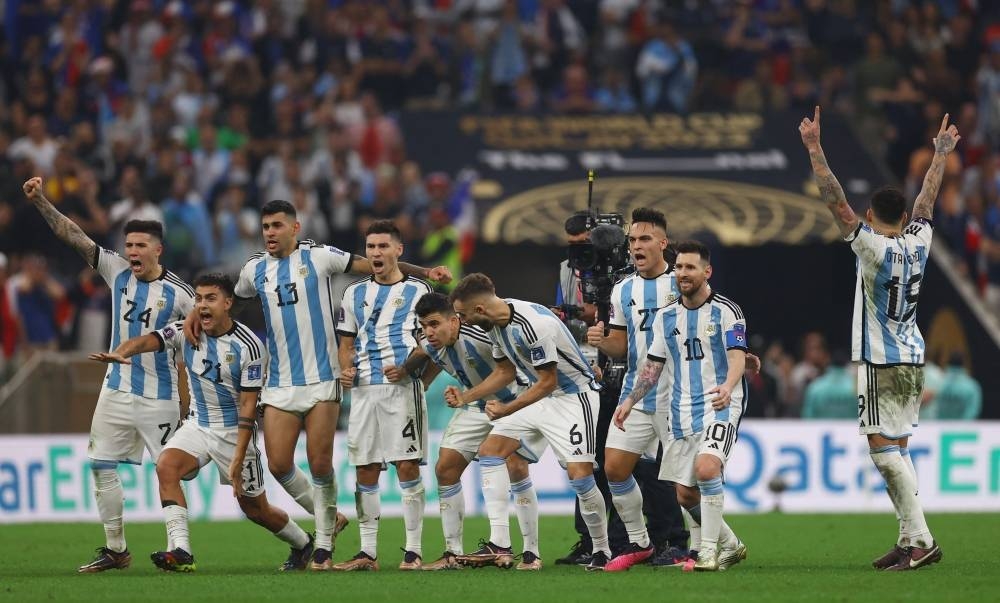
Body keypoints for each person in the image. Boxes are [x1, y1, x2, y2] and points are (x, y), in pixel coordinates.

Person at [184, 201, 450, 570]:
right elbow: (232, 306)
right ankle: (333, 520)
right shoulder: (253, 269)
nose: (270, 232)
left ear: (295, 228)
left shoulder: (320, 257)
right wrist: (196, 317)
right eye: (265, 226)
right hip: (279, 381)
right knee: (278, 463)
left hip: (324, 378)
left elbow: (374, 264)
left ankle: (324, 544)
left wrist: (424, 271)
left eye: (277, 225)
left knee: (321, 463)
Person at [799, 105, 957, 570]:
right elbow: (928, 201)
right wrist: (941, 155)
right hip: (913, 356)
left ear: (871, 215)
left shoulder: (870, 247)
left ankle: (923, 538)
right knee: (899, 449)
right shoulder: (919, 241)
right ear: (904, 216)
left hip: (879, 360)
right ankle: (910, 539)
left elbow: (834, 198)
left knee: (881, 448)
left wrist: (814, 147)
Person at [22, 176, 196, 573]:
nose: (132, 252)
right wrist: (41, 202)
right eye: (129, 244)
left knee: (169, 469)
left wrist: (191, 401)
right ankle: (116, 549)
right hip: (115, 390)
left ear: (158, 250)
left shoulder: (182, 294)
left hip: (161, 394)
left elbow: (195, 346)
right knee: (101, 464)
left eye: (140, 246)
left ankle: (179, 549)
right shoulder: (114, 270)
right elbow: (73, 234)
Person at [89, 274, 313, 572]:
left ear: (228, 303)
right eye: (198, 298)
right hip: (198, 425)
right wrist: (122, 352)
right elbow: (149, 339)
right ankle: (181, 551)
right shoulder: (185, 331)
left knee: (255, 509)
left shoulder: (250, 346)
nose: (202, 305)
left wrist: (237, 458)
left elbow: (249, 407)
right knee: (166, 466)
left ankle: (303, 543)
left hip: (235, 433)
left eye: (210, 298)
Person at [445, 273, 612, 571]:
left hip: (573, 398)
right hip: (537, 396)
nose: (463, 321)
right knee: (491, 451)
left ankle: (601, 549)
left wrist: (507, 409)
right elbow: (505, 372)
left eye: (463, 315)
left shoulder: (535, 325)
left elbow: (549, 382)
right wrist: (467, 396)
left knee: (580, 477)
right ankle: (501, 543)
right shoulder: (496, 326)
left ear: (479, 310)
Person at [385, 292, 546, 571]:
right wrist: (410, 374)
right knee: (445, 468)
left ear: (454, 320)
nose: (428, 332)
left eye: (434, 324)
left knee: (516, 465)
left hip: (517, 401)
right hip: (476, 407)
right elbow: (430, 353)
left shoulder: (482, 335)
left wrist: (466, 395)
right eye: (423, 326)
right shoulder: (430, 341)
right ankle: (453, 554)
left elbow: (506, 372)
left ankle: (530, 552)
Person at [614, 241, 749, 572]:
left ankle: (707, 551)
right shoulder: (666, 316)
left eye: (690, 267)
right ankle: (731, 545)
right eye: (679, 268)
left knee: (707, 469)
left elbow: (738, 358)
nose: (682, 273)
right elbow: (653, 365)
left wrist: (729, 387)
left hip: (720, 404)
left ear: (707, 271)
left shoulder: (727, 311)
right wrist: (631, 399)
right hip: (680, 410)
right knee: (686, 496)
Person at [585, 207, 691, 570]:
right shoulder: (622, 289)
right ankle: (639, 541)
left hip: (678, 394)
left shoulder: (681, 282)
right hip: (636, 393)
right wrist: (601, 340)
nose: (636, 246)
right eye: (632, 240)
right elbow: (621, 346)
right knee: (614, 468)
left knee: (679, 479)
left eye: (645, 239)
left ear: (663, 243)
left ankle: (683, 545)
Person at [334, 220, 433, 571]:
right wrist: (346, 369)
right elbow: (346, 342)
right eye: (371, 247)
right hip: (362, 392)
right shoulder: (353, 293)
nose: (376, 253)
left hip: (401, 390)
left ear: (398, 250)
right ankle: (368, 553)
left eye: (383, 246)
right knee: (365, 468)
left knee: (406, 465)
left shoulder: (419, 291)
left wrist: (407, 368)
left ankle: (413, 551)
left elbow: (433, 341)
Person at [802, 351, 858, 419]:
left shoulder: (815, 387)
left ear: (829, 363)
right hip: (852, 429)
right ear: (847, 365)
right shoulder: (857, 387)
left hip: (821, 429)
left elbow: (808, 416)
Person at [927, 353, 982, 420]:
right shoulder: (973, 386)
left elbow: (932, 409)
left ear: (947, 363)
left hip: (940, 427)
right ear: (964, 364)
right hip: (963, 428)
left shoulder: (938, 382)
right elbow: (973, 410)